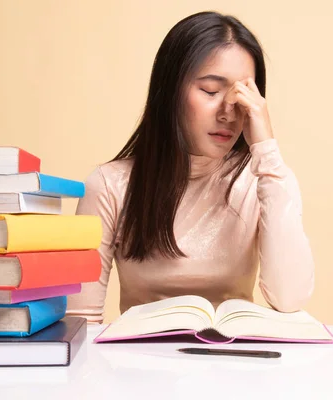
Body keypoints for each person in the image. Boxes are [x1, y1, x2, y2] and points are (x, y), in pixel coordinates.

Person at [66, 11, 315, 324]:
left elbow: (289, 299)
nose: (229, 112)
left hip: (235, 367)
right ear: (169, 92)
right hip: (139, 367)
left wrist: (266, 151)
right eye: (211, 91)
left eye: (243, 97)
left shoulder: (263, 180)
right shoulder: (110, 185)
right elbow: (80, 324)